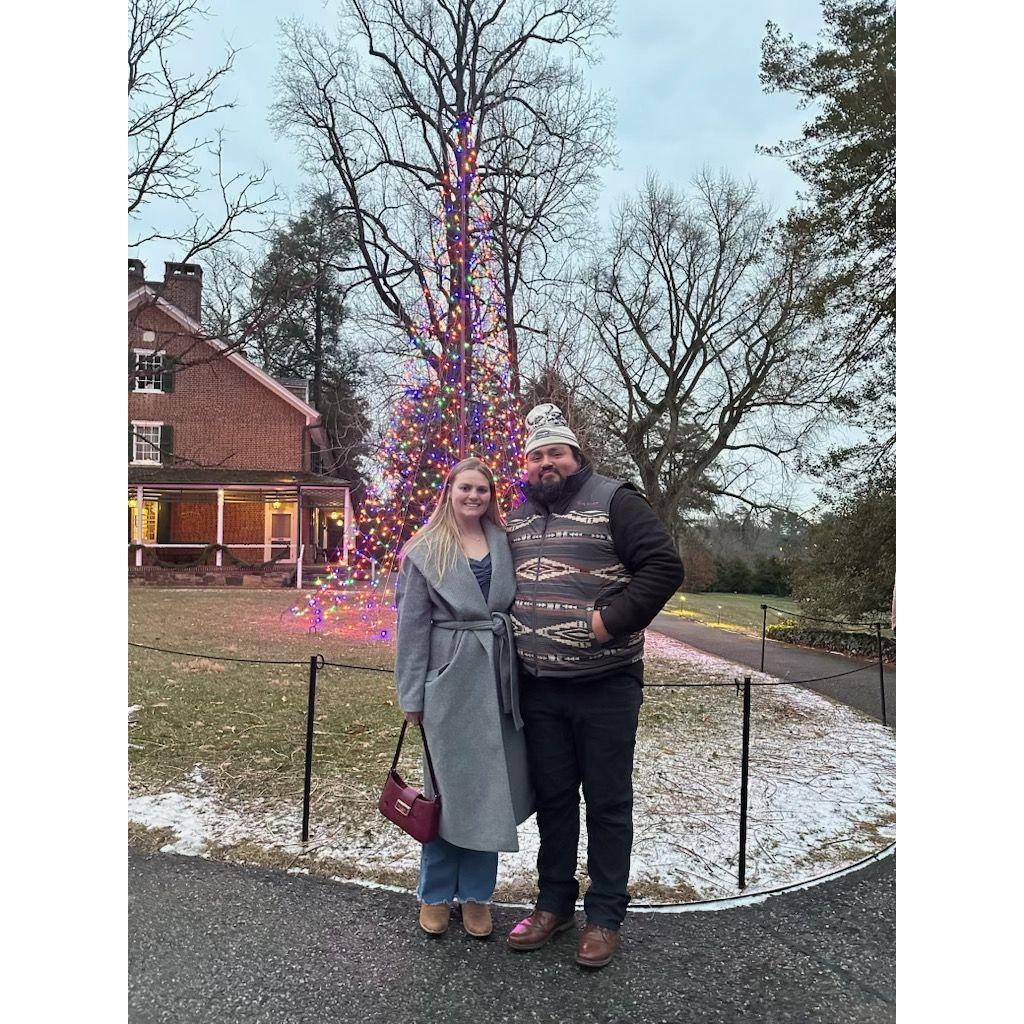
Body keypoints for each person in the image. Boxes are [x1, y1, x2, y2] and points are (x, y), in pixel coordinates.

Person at [505, 404, 685, 968]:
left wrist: (610, 621)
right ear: (527, 465)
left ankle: (605, 915)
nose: (545, 463)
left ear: (576, 457)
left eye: (556, 452)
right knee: (555, 801)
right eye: (536, 455)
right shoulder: (515, 516)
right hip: (539, 686)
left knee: (607, 802)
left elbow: (663, 566)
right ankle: (553, 905)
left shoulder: (616, 500)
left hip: (605, 684)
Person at [393, 457, 533, 938]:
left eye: (483, 490)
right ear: (449, 491)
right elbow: (411, 629)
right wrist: (412, 695)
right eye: (466, 488)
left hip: (497, 677)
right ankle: (434, 893)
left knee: (491, 791)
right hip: (448, 683)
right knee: (445, 791)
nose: (474, 497)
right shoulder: (424, 551)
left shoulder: (504, 543)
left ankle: (476, 895)